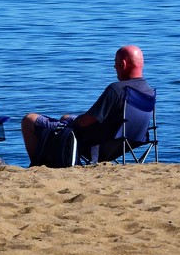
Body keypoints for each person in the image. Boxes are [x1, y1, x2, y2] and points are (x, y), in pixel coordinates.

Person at [21, 45, 155, 166]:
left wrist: (72, 122)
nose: (114, 67)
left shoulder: (117, 89)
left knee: (29, 120)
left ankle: (37, 165)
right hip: (128, 142)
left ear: (123, 64)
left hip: (99, 144)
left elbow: (86, 122)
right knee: (66, 116)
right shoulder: (148, 90)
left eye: (115, 62)